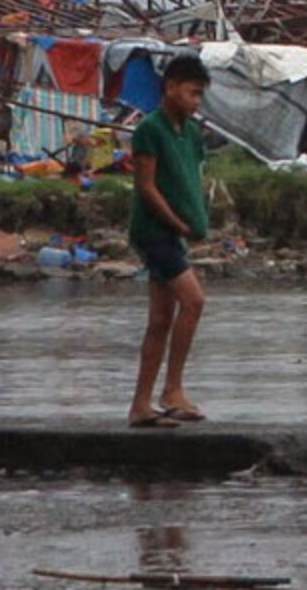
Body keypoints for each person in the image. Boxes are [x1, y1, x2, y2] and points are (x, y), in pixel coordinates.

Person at [126, 55, 211, 429]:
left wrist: (195, 220)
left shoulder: (191, 133)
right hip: (153, 231)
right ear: (171, 86)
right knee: (194, 301)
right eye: (192, 93)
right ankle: (172, 390)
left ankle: (140, 406)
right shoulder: (150, 129)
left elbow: (190, 179)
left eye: (200, 95)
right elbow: (146, 187)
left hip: (173, 233)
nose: (196, 101)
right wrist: (178, 222)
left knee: (160, 320)